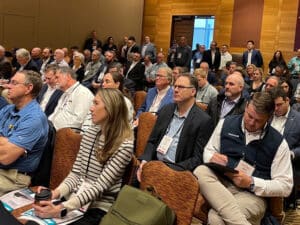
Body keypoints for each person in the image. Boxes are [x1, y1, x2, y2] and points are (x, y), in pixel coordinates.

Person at [33, 88, 134, 225]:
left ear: (110, 109)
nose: (91, 109)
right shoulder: (90, 133)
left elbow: (98, 188)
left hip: (97, 207)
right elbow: (75, 174)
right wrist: (54, 194)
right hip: (74, 198)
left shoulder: (124, 146)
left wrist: (61, 209)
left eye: (96, 104)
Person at [194, 91, 293, 225]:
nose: (252, 123)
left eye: (258, 120)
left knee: (215, 218)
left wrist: (251, 182)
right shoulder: (226, 123)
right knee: (200, 171)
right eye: (249, 116)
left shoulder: (278, 143)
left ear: (269, 118)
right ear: (246, 107)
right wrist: (212, 157)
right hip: (222, 184)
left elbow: (285, 186)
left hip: (253, 195)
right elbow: (208, 150)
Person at [137, 74, 213, 181]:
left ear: (193, 92)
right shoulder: (166, 110)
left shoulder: (203, 120)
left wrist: (169, 170)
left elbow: (198, 158)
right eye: (175, 86)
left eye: (181, 87)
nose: (176, 90)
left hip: (177, 170)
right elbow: (152, 140)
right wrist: (145, 161)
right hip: (154, 163)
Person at [0, 70, 48, 196]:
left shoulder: (34, 118)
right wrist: (7, 141)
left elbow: (6, 157)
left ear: (28, 88)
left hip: (13, 177)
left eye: (14, 83)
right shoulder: (8, 109)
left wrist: (8, 145)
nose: (8, 86)